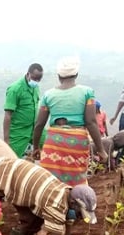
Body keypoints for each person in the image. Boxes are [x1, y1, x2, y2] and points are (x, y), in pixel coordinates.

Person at [32, 57, 108, 186]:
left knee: (50, 182)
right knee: (76, 180)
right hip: (77, 142)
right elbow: (91, 122)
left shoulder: (48, 95)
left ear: (58, 75)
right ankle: (75, 204)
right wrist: (101, 150)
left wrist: (36, 148)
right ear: (76, 74)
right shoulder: (87, 92)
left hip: (53, 142)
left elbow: (39, 124)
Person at [3, 63, 43, 158]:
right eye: (34, 78)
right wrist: (6, 140)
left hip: (34, 128)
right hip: (18, 132)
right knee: (12, 158)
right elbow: (8, 115)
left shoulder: (35, 87)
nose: (36, 81)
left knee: (49, 147)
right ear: (28, 74)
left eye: (39, 79)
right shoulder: (15, 89)